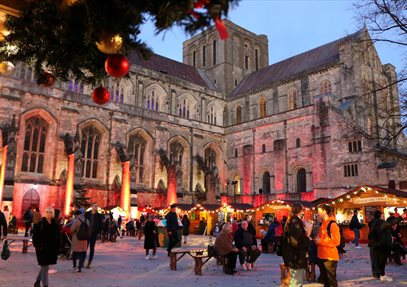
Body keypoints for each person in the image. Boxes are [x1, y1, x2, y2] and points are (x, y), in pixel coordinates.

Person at [368, 210, 402, 281]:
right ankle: (382, 275)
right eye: (383, 215)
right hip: (380, 245)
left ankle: (377, 274)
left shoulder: (373, 222)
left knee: (376, 260)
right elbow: (390, 223)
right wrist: (400, 218)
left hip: (375, 244)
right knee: (381, 260)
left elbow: (380, 232)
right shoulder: (380, 222)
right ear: (380, 216)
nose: (384, 216)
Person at [281, 202, 309, 287]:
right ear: (300, 211)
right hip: (295, 256)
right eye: (303, 210)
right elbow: (296, 242)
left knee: (295, 279)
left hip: (292, 255)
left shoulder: (292, 220)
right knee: (296, 281)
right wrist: (307, 235)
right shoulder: (295, 221)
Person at [32, 206, 60, 287]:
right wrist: (39, 246)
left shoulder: (55, 224)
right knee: (44, 266)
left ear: (53, 214)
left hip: (52, 250)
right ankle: (45, 285)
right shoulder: (40, 224)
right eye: (47, 212)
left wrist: (57, 246)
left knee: (45, 267)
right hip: (42, 250)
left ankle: (37, 281)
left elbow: (58, 237)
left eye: (50, 212)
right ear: (44, 213)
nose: (48, 214)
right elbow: (35, 237)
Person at [314, 204, 340, 287]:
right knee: (325, 281)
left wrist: (320, 241)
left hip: (330, 257)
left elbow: (336, 241)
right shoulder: (323, 224)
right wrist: (317, 240)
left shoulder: (332, 225)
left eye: (319, 211)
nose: (317, 213)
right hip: (322, 255)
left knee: (331, 281)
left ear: (324, 212)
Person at [84, 202, 103, 268]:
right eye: (94, 206)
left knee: (92, 248)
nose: (95, 207)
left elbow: (101, 225)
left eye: (96, 206)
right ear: (91, 207)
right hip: (87, 233)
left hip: (94, 233)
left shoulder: (99, 215)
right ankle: (82, 261)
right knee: (85, 247)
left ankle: (89, 262)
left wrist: (98, 232)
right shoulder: (87, 214)